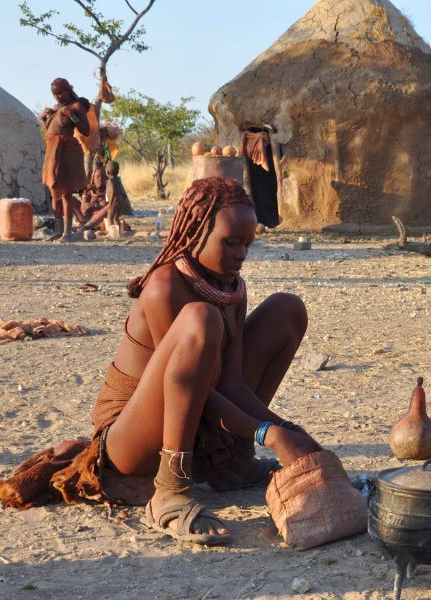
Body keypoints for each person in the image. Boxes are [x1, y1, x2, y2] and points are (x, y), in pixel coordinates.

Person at [66, 177, 317, 545]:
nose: (241, 254)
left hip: (196, 416)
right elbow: (194, 390)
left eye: (247, 244)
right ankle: (170, 491)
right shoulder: (164, 286)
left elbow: (230, 384)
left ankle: (234, 463)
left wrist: (290, 430)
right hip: (131, 440)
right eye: (230, 242)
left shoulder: (230, 287)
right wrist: (268, 433)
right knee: (201, 318)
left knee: (287, 310)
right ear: (196, 232)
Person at [40, 78, 90, 242]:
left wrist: (72, 116)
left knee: (66, 192)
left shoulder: (76, 106)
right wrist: (44, 118)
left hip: (67, 152)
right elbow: (51, 130)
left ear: (68, 90)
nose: (57, 97)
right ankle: (58, 230)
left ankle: (67, 233)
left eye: (60, 93)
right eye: (54, 94)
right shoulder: (55, 108)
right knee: (54, 191)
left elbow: (86, 130)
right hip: (52, 151)